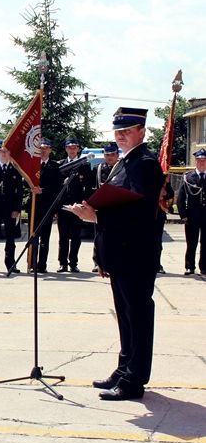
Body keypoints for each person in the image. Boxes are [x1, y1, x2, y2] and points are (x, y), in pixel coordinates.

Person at [69, 107, 164, 401]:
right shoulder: (124, 163)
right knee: (124, 315)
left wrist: (96, 218)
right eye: (117, 132)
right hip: (120, 253)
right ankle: (124, 369)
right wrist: (102, 254)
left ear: (142, 132)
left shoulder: (145, 164)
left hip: (136, 253)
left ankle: (135, 380)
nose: (120, 137)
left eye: (126, 132)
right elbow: (112, 203)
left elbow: (139, 212)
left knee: (137, 315)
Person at [0, 144, 24, 274]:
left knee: (10, 238)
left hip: (10, 208)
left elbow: (19, 192)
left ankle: (10, 263)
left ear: (10, 153)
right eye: (1, 152)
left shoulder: (15, 170)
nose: (3, 154)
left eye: (6, 152)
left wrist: (17, 209)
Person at [56, 138, 91, 273]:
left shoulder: (85, 165)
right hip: (64, 207)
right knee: (63, 237)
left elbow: (87, 188)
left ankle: (73, 263)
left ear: (78, 149)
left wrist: (85, 205)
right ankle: (62, 263)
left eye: (74, 147)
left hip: (78, 207)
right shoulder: (60, 165)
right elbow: (56, 189)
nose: (72, 150)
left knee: (76, 237)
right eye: (69, 148)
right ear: (65, 149)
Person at [29, 139, 62, 273]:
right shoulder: (32, 165)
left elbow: (58, 187)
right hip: (34, 206)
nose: (43, 150)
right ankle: (32, 263)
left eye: (46, 148)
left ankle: (42, 264)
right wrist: (32, 188)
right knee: (33, 235)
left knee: (45, 238)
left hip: (47, 206)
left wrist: (43, 190)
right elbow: (26, 181)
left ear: (50, 150)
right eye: (41, 148)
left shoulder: (55, 166)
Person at [177, 148, 206, 275]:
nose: (201, 163)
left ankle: (204, 267)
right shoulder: (188, 177)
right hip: (192, 216)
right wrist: (183, 215)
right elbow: (181, 198)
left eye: (204, 160)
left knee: (205, 244)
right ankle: (190, 266)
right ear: (195, 162)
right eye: (199, 160)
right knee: (191, 243)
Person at [91, 143, 119, 273]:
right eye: (107, 155)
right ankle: (98, 263)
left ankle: (113, 261)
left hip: (117, 208)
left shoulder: (122, 168)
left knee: (115, 237)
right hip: (101, 208)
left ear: (117, 155)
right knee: (99, 236)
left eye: (112, 154)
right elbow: (91, 189)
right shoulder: (98, 168)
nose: (110, 157)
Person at [155, 182, 174, 274]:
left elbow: (170, 194)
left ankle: (157, 264)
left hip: (159, 215)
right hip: (144, 214)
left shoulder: (162, 179)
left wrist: (164, 187)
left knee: (158, 242)